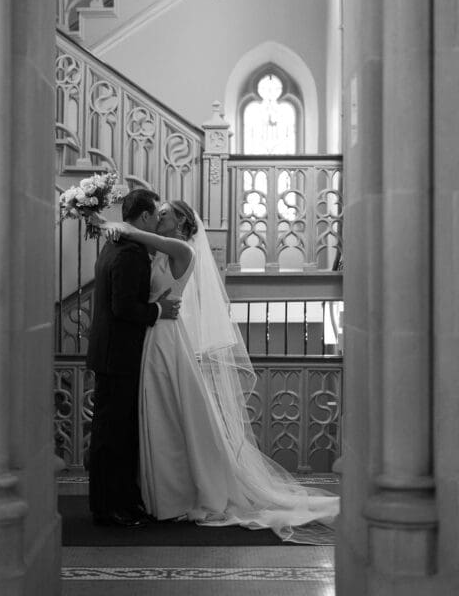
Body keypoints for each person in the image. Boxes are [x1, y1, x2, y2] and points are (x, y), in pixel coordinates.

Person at [100, 199, 340, 543]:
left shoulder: (181, 249)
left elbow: (140, 235)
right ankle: (161, 492)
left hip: (168, 338)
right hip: (153, 335)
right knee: (160, 415)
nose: (159, 218)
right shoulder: (153, 252)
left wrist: (115, 224)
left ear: (181, 221)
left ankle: (183, 492)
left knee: (169, 411)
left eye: (165, 214)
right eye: (158, 213)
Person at [86, 187, 180, 528]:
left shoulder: (117, 244)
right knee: (113, 437)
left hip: (113, 353)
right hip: (117, 355)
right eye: (156, 214)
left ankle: (119, 501)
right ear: (143, 217)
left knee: (116, 433)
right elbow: (123, 307)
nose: (158, 220)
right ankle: (110, 507)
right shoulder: (129, 254)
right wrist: (158, 309)